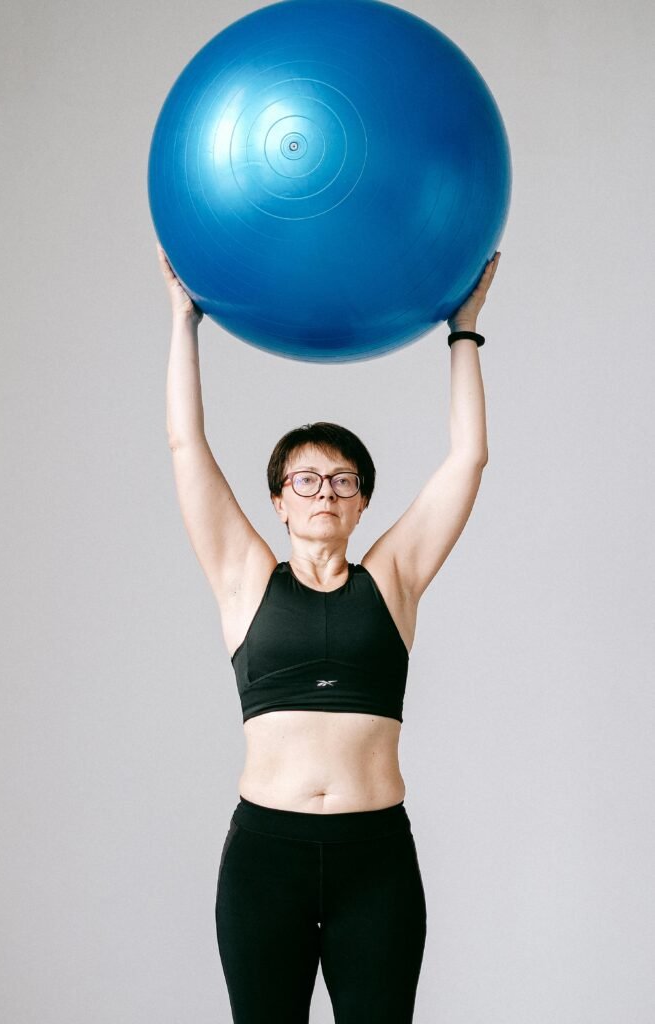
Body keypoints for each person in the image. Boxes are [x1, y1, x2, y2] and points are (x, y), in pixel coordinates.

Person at [157, 241, 501, 1023]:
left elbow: (468, 458)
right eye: (304, 479)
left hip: (374, 860)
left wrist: (464, 333)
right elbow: (187, 450)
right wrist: (184, 325)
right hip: (264, 860)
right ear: (278, 500)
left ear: (360, 504)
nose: (324, 492)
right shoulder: (245, 580)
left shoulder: (393, 579)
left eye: (342, 481)